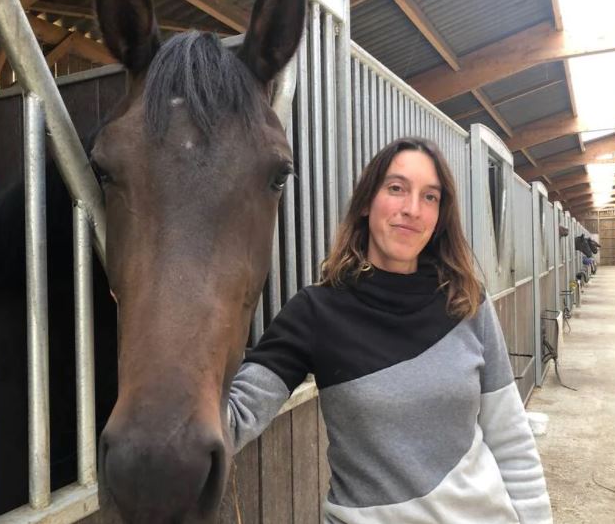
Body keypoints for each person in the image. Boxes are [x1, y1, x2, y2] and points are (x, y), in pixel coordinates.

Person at [228, 137, 553, 523]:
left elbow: (510, 436)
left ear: (439, 217)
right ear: (367, 202)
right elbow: (232, 420)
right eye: (397, 189)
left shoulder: (466, 302)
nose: (412, 209)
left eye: (430, 197)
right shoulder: (316, 312)